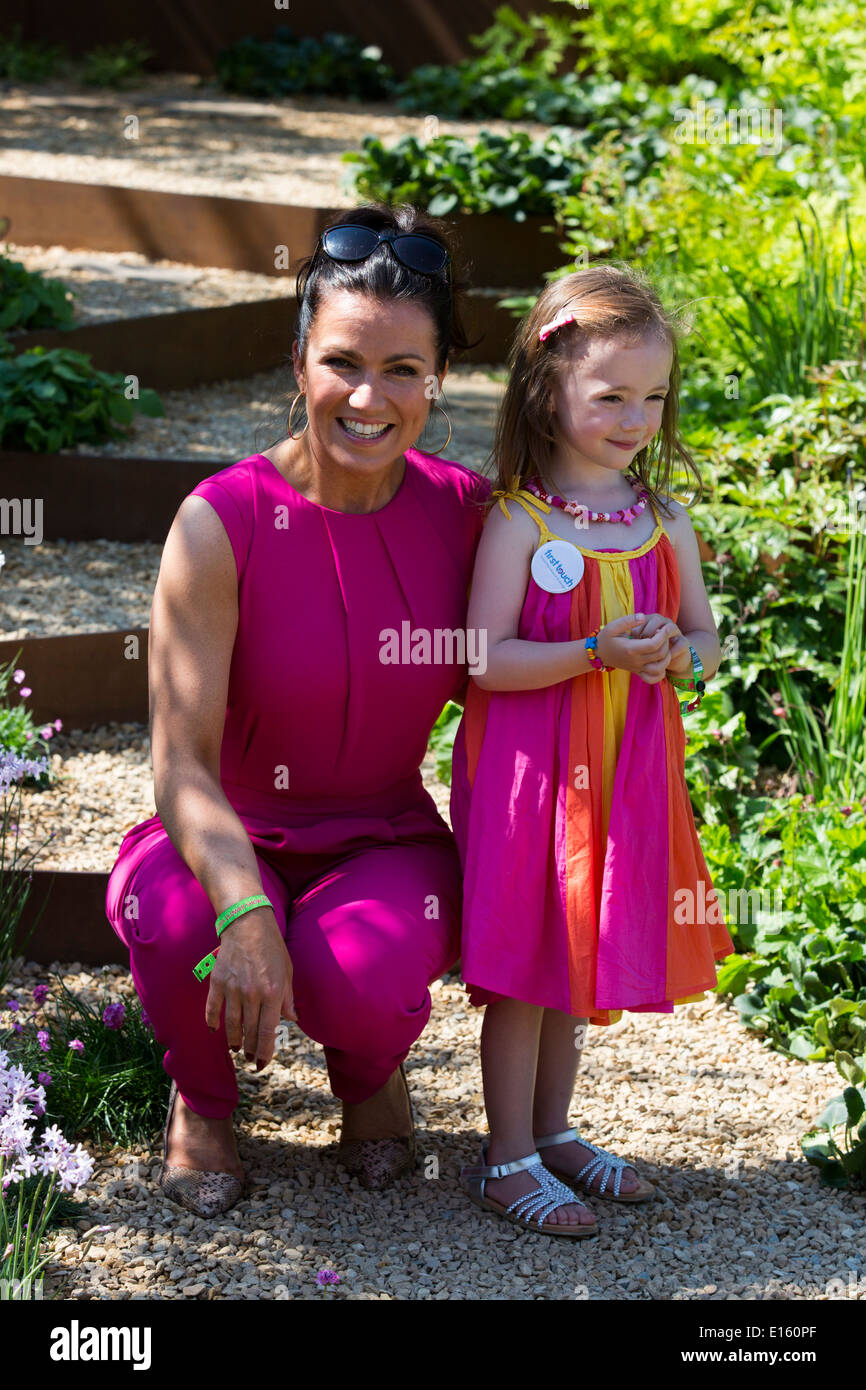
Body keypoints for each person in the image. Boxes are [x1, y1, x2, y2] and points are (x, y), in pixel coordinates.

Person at [104, 203, 490, 1216]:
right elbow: (179, 762)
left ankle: (368, 1077)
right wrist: (243, 905)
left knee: (358, 966)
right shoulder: (220, 522)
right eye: (341, 363)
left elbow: (539, 668)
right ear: (297, 364)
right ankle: (204, 1100)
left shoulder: (468, 515)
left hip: (382, 835)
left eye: (402, 369)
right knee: (176, 916)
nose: (369, 396)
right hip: (220, 827)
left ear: (436, 378)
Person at [450, 264, 735, 1238]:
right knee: (527, 968)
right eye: (609, 394)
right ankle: (504, 1157)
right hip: (531, 785)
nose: (634, 417)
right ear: (546, 389)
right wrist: (590, 651)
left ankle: (552, 1130)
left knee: (571, 961)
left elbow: (703, 639)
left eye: (651, 396)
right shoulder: (518, 523)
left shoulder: (660, 519)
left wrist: (671, 657)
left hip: (622, 779)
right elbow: (483, 661)